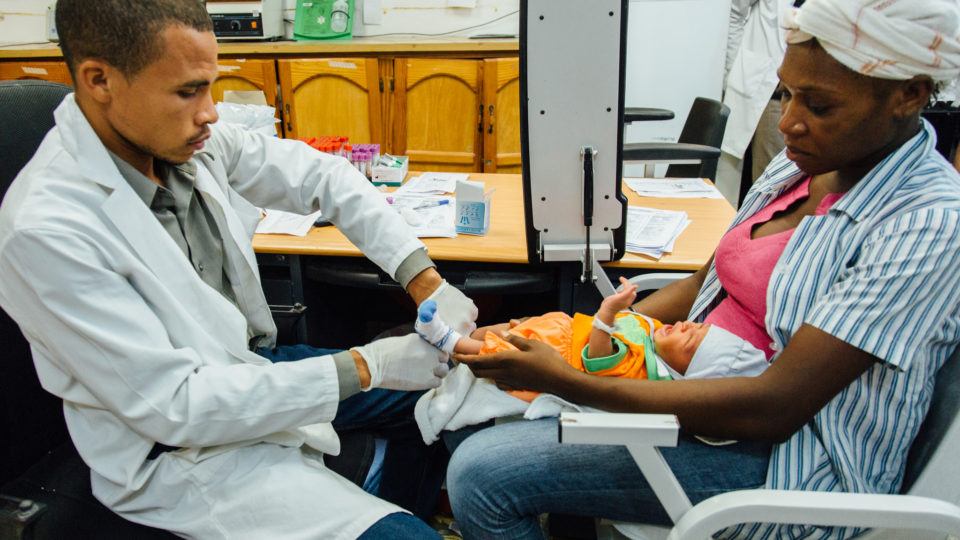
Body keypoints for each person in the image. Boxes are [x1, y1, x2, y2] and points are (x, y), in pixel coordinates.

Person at [445, 1, 960, 539]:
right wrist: (583, 342)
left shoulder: (926, 223)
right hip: (690, 388)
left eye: (821, 106)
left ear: (910, 95)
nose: (788, 122)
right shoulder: (799, 165)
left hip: (782, 459)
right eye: (785, 93)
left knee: (481, 475)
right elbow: (701, 286)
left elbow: (774, 406)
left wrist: (572, 381)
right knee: (479, 413)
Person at [0, 1, 479, 538]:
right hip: (180, 451)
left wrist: (425, 280)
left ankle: (386, 505)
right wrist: (366, 367)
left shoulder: (180, 141)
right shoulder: (46, 228)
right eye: (188, 91)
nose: (210, 112)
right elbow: (175, 406)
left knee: (443, 394)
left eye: (209, 86)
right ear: (99, 80)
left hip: (250, 368)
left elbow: (323, 177)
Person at [411, 278, 768, 445]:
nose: (686, 325)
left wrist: (609, 312)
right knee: (503, 330)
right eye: (696, 326)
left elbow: (597, 358)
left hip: (563, 353)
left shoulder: (637, 369)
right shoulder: (657, 335)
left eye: (689, 340)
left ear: (678, 373)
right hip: (564, 329)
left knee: (498, 349)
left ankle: (445, 338)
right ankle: (461, 334)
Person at [716, 0, 792, 204]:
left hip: (800, 91)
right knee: (762, 182)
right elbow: (735, 12)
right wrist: (732, 71)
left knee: (779, 180)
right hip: (767, 88)